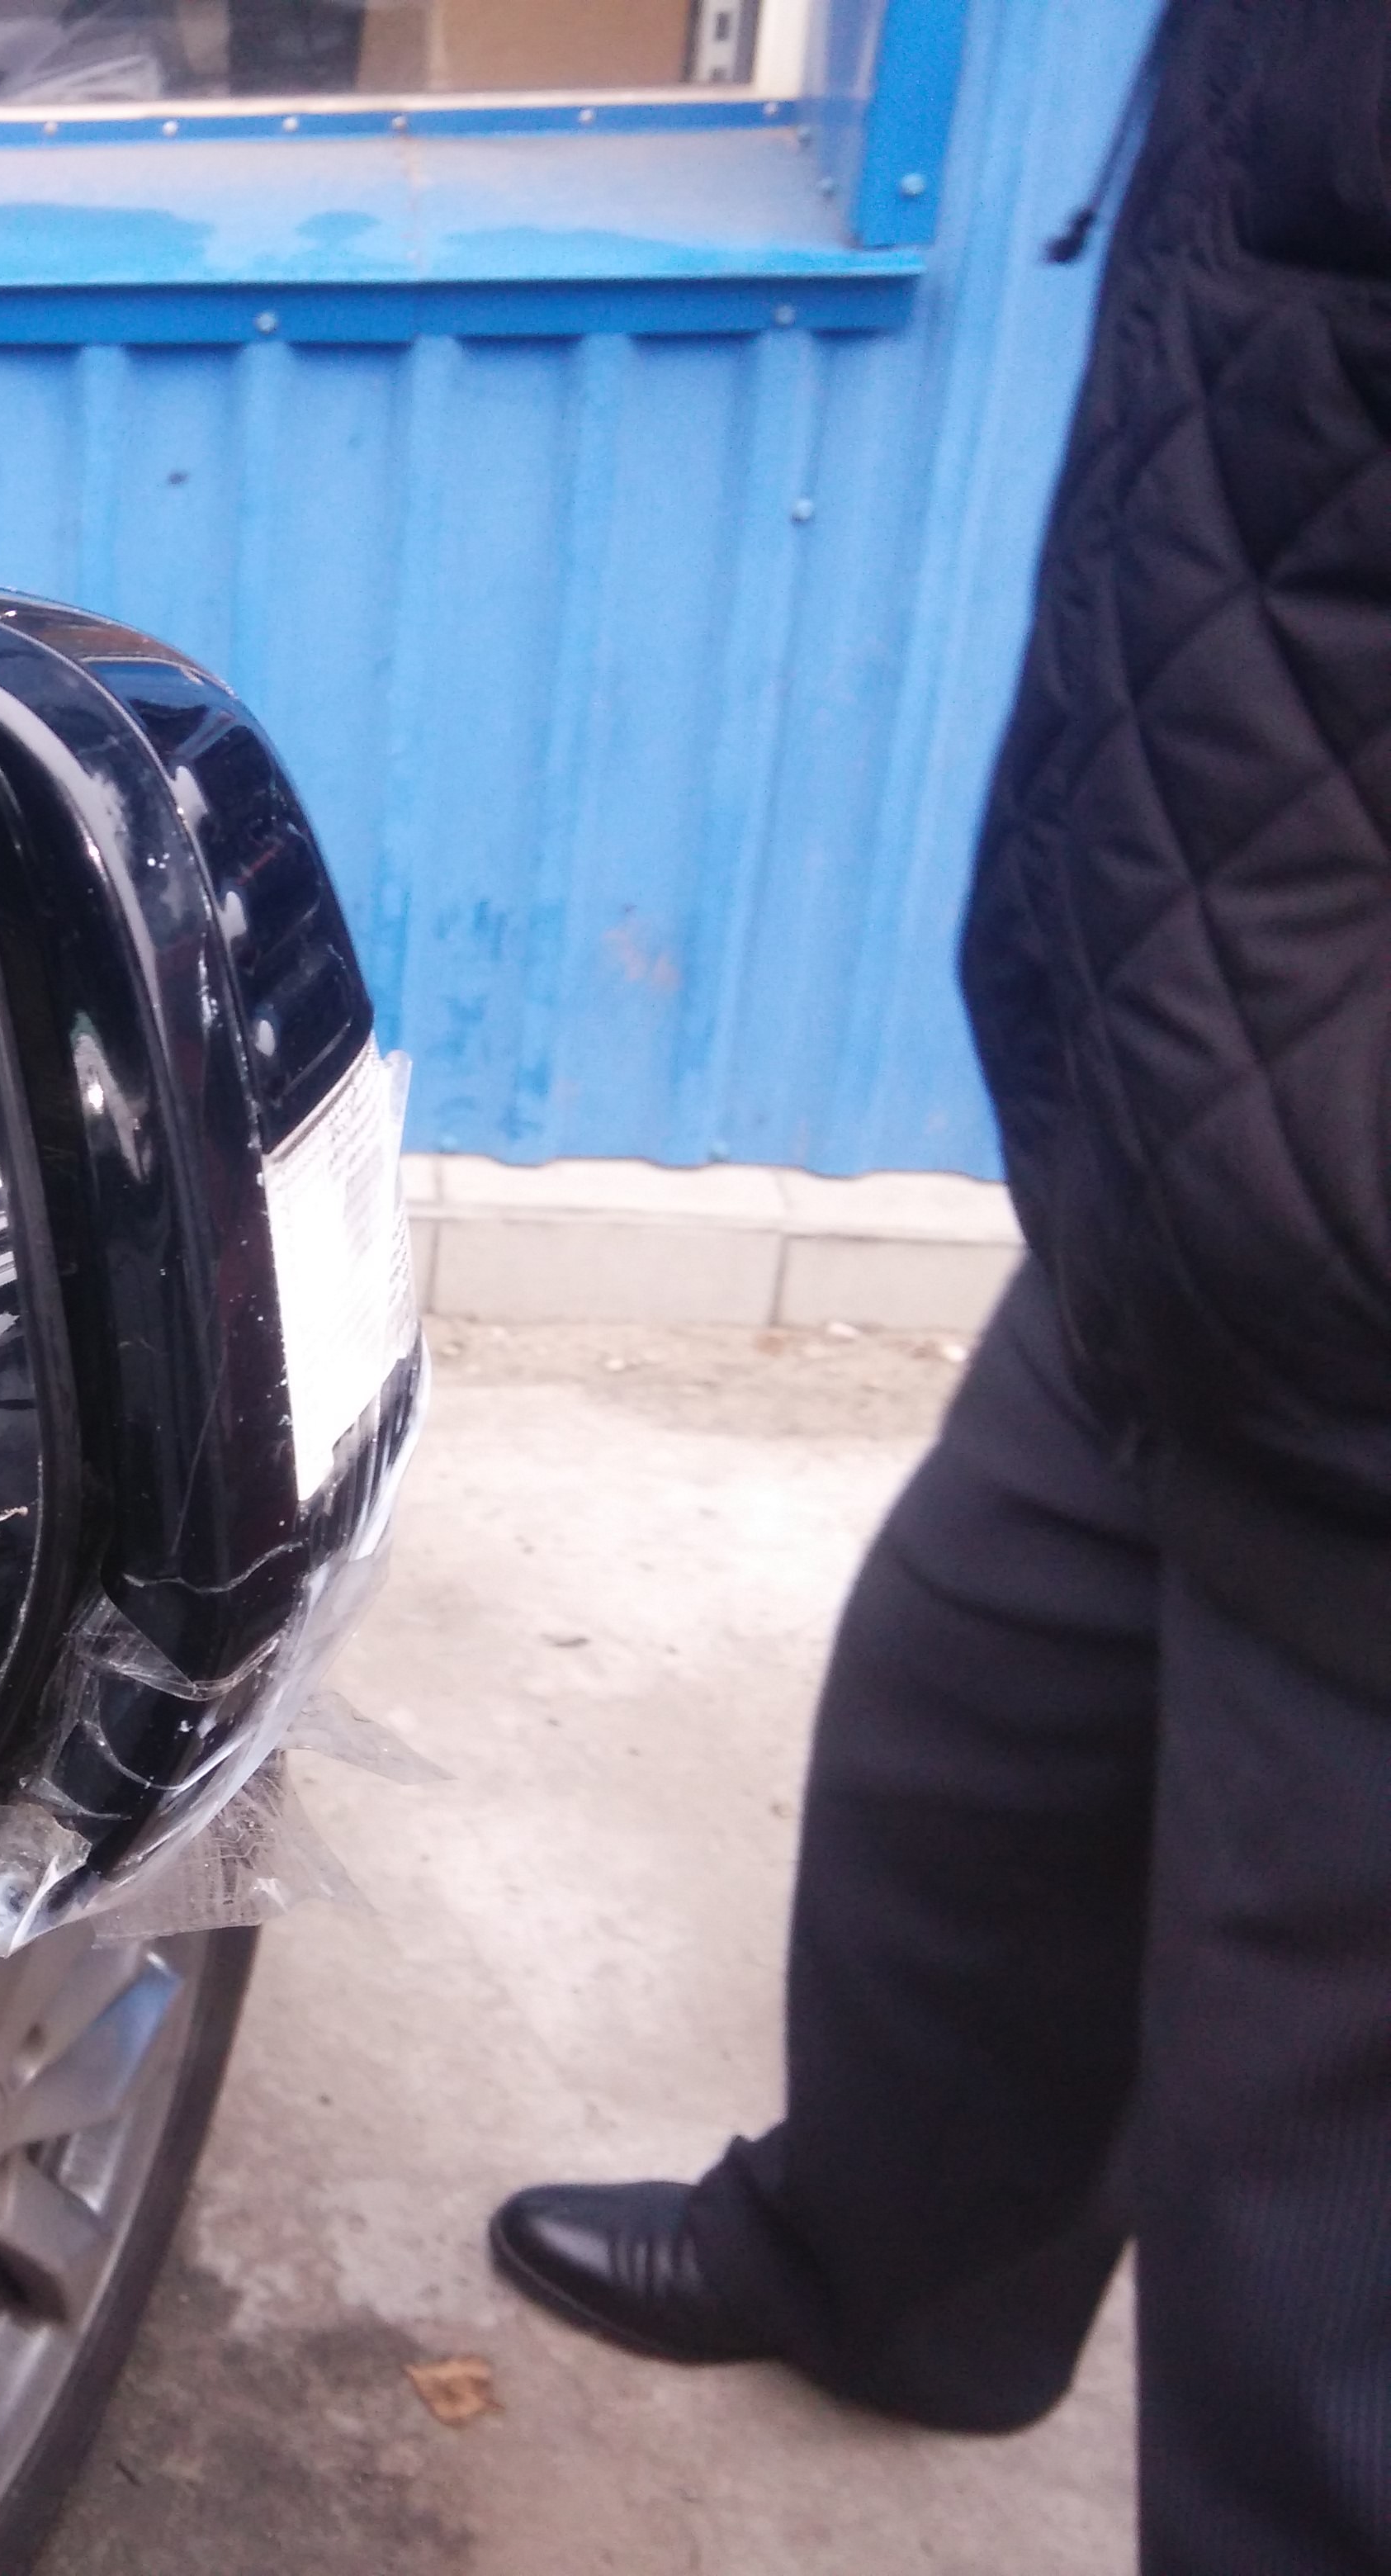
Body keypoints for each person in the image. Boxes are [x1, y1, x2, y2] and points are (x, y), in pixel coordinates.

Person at [488, 5, 1391, 2564]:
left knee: (1321, 2290)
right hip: (1176, 1197)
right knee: (961, 1790)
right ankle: (900, 2290)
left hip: (1351, 1304)